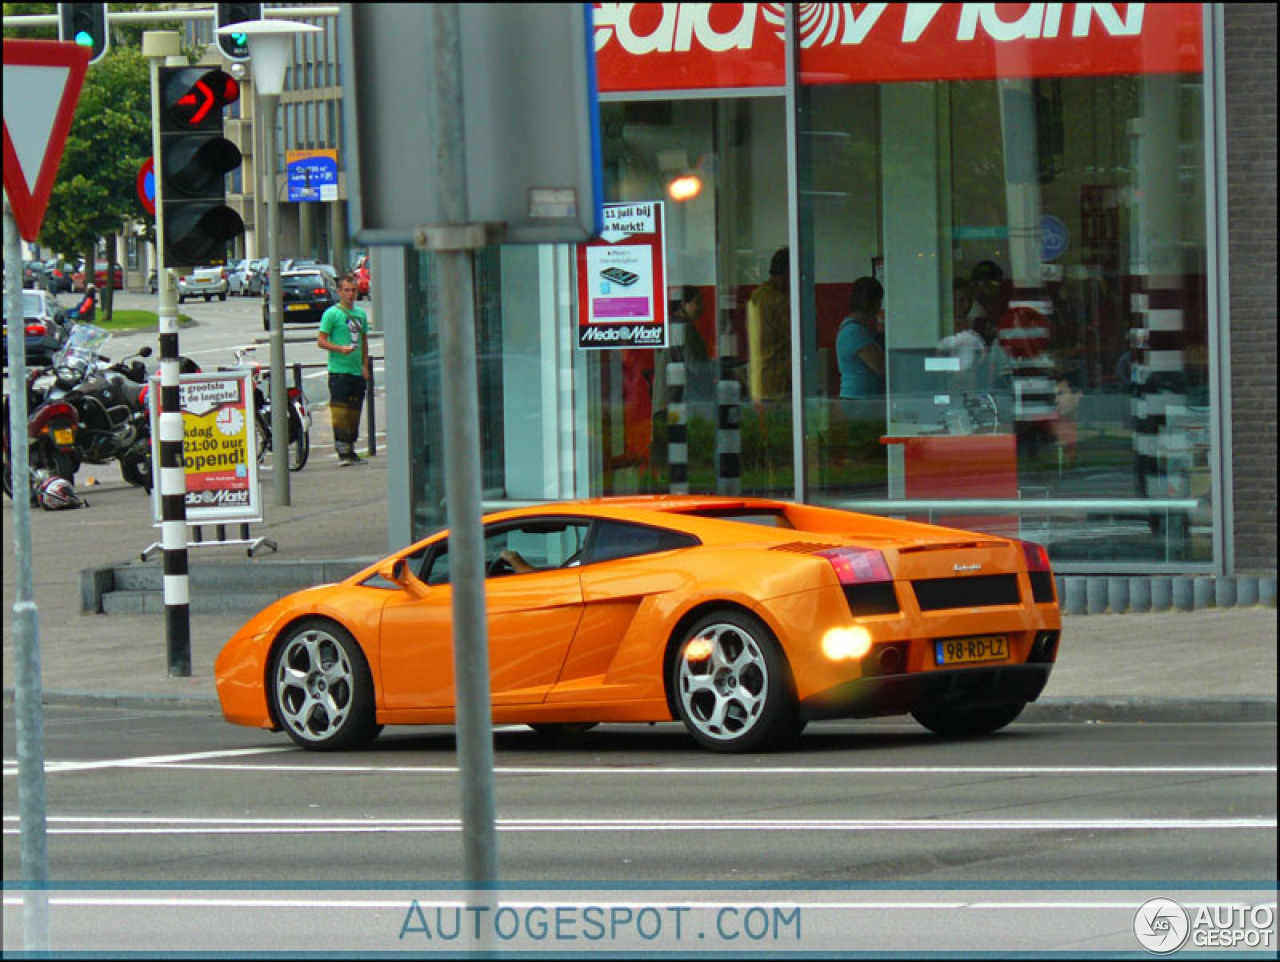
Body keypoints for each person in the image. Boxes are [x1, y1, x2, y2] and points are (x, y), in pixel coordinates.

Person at [317, 273, 371, 465]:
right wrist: (340, 348)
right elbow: (321, 341)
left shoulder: (361, 315)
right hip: (339, 370)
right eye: (346, 290)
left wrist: (365, 366)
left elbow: (364, 342)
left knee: (354, 411)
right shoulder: (332, 314)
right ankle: (343, 452)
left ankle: (351, 449)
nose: (350, 294)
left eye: (353, 290)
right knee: (340, 410)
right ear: (339, 292)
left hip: (356, 371)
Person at [747, 247, 790, 402]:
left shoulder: (757, 296)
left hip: (759, 382)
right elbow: (806, 339)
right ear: (788, 272)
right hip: (778, 385)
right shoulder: (779, 303)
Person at [836, 276, 885, 398]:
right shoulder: (855, 332)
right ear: (876, 303)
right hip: (860, 399)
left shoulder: (853, 328)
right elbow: (882, 367)